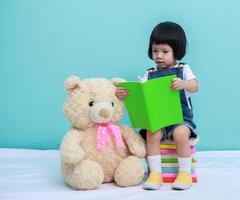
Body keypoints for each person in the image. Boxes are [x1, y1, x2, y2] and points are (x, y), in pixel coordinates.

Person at [115, 21, 199, 190]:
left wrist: (184, 84)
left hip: (180, 119)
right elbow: (142, 96)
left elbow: (195, 86)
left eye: (165, 51)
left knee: (180, 133)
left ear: (177, 51)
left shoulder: (183, 69)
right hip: (158, 119)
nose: (158, 56)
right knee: (152, 134)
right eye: (155, 51)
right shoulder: (150, 74)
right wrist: (124, 95)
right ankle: (155, 173)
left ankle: (184, 173)